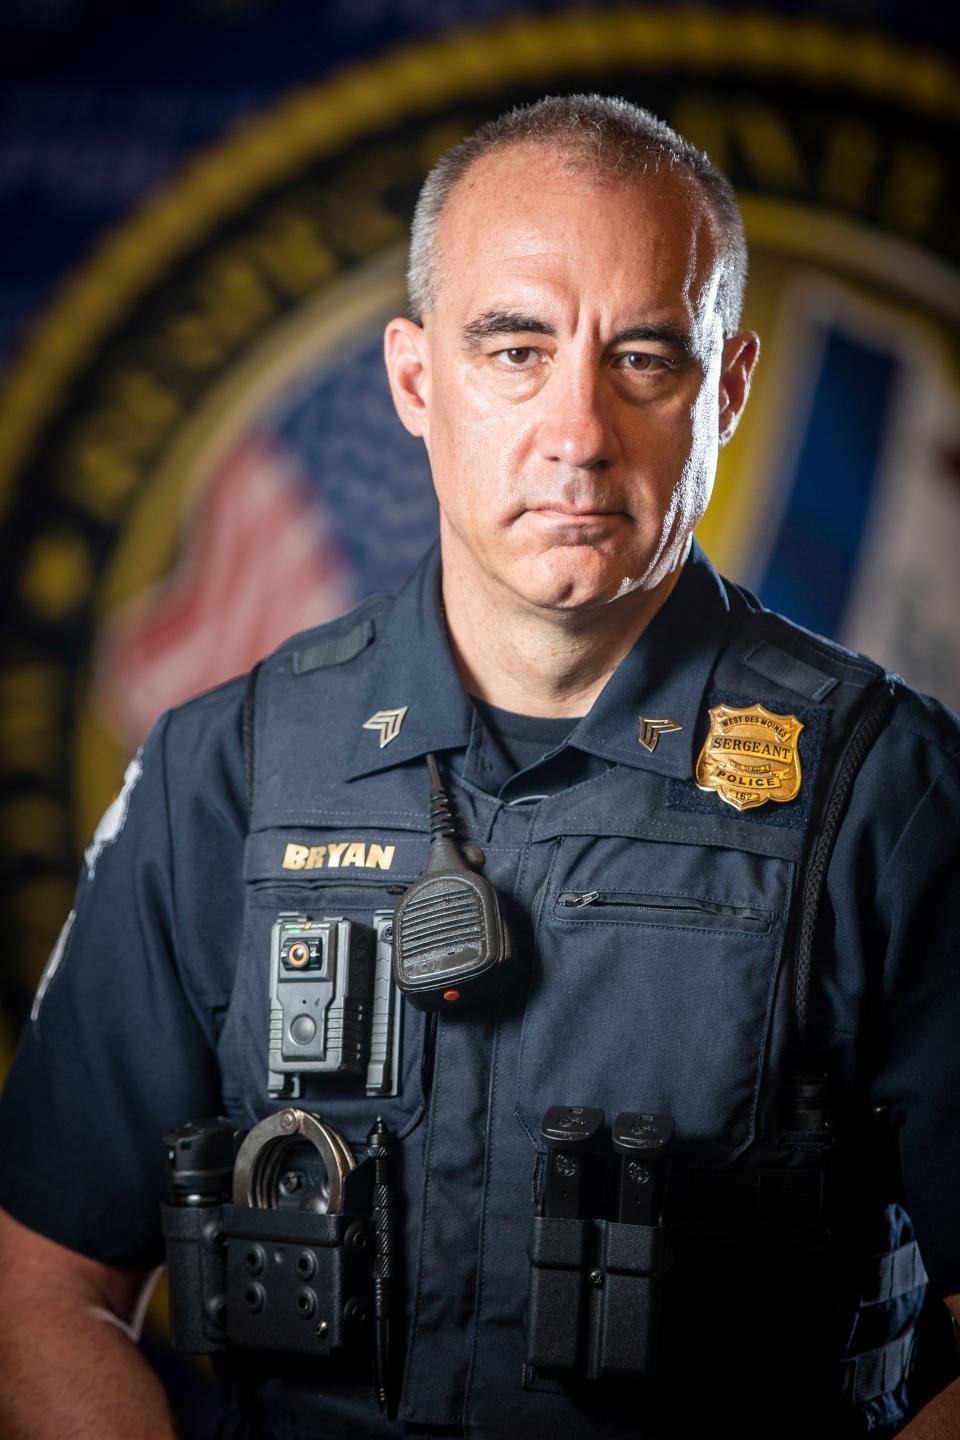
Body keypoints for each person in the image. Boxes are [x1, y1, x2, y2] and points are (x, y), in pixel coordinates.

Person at [0, 94, 957, 1440]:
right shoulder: (226, 770)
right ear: (414, 380)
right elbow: (42, 1288)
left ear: (728, 389)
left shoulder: (889, 794)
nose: (577, 432)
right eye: (514, 348)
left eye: (644, 357)